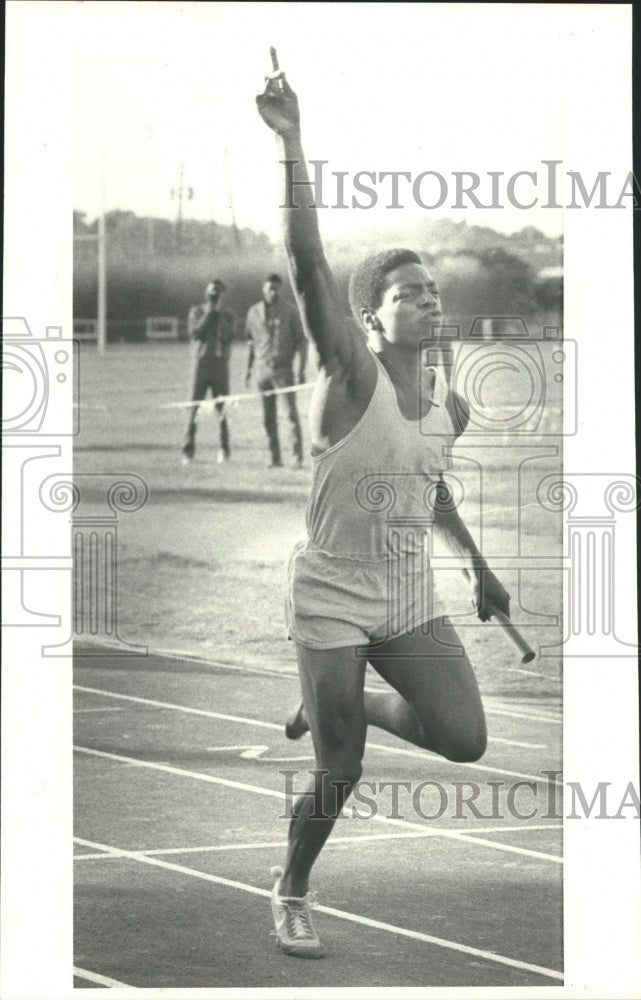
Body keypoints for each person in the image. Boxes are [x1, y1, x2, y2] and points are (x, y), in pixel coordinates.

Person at [256, 59, 511, 959]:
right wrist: (292, 141)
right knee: (338, 774)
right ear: (371, 316)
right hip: (330, 591)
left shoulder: (449, 401)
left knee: (464, 739)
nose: (429, 301)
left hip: (407, 593)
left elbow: (428, 485)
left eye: (435, 291)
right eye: (409, 293)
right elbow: (304, 259)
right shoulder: (350, 373)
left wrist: (478, 567)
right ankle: (290, 888)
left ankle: (350, 699)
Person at [245, 274, 308, 468]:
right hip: (262, 370)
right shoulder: (253, 312)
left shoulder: (290, 311)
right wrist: (248, 370)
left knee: (290, 415)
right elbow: (250, 342)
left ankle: (296, 457)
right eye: (269, 288)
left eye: (276, 288)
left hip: (283, 370)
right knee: (268, 417)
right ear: (263, 289)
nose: (272, 291)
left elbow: (302, 342)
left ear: (281, 290)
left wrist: (301, 369)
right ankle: (275, 458)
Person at [182, 279, 235, 465]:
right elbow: (196, 333)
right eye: (212, 292)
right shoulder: (196, 311)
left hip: (220, 365)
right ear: (206, 293)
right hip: (201, 364)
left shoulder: (227, 314)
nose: (214, 296)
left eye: (218, 292)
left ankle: (224, 449)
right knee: (194, 407)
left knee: (222, 409)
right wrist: (209, 313)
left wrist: (218, 313)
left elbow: (227, 336)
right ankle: (188, 451)